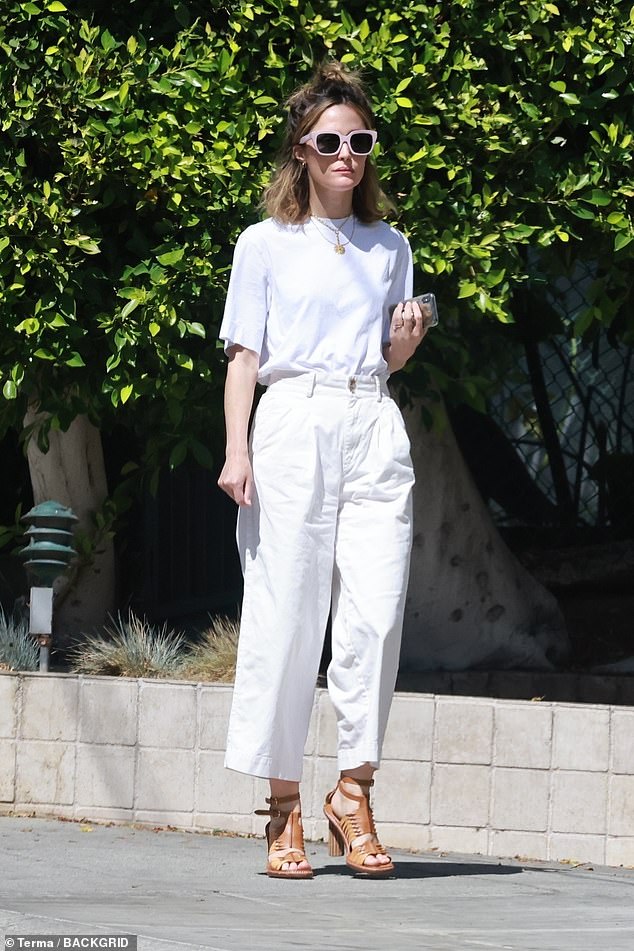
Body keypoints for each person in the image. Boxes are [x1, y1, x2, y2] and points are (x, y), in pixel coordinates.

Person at [217, 61, 428, 879]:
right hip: (292, 421)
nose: (348, 153)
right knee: (287, 614)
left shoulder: (391, 246)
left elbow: (386, 354)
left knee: (375, 612)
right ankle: (282, 804)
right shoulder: (263, 244)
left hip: (371, 417)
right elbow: (244, 357)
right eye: (331, 141)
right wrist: (237, 448)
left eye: (360, 140)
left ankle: (353, 790)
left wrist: (401, 348)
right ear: (301, 151)